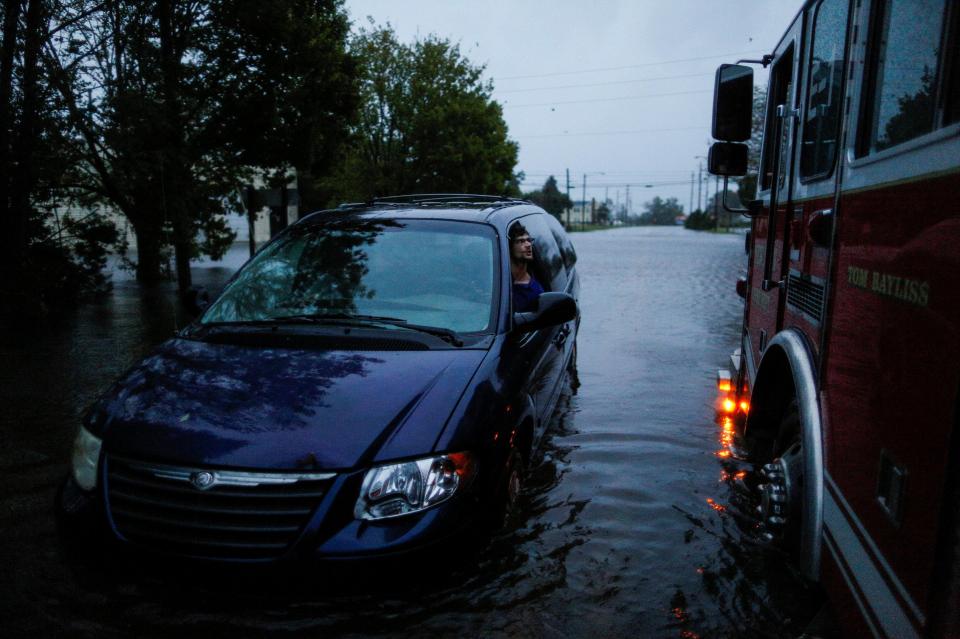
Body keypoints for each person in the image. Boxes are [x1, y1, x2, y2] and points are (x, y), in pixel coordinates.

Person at [509, 222, 544, 312]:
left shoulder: (535, 291)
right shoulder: (495, 280)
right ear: (509, 248)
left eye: (529, 240)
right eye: (521, 241)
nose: (528, 245)